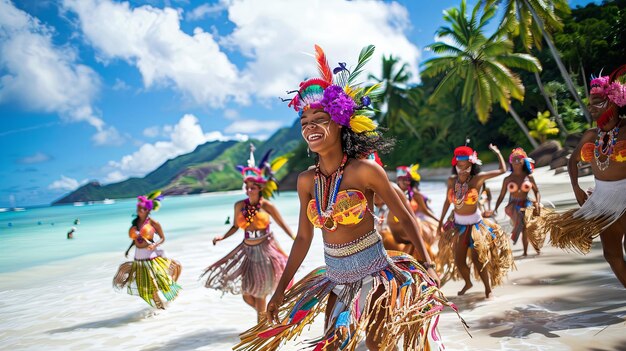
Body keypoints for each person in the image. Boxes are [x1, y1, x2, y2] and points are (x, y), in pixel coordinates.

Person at [234, 45, 462, 351]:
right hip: (335, 277)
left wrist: (428, 263)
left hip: (376, 273)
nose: (310, 127)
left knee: (381, 345)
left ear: (340, 121)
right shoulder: (305, 181)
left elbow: (405, 216)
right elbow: (303, 238)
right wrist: (280, 289)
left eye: (319, 119)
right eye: (304, 123)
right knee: (331, 346)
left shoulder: (365, 171)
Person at [546, 66, 626, 287]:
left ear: (613, 102)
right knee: (611, 255)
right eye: (589, 103)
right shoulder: (592, 134)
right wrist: (577, 189)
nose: (590, 108)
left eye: (597, 102)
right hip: (603, 201)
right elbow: (573, 161)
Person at [201, 145, 295, 322]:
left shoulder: (267, 206)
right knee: (247, 296)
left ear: (260, 188)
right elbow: (236, 227)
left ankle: (262, 333)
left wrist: (296, 239)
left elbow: (283, 224)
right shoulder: (239, 205)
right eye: (247, 186)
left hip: (265, 251)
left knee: (260, 295)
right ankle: (269, 318)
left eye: (253, 187)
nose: (250, 189)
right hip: (247, 252)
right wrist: (222, 237)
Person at [436, 145, 514, 297]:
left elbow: (502, 170)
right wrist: (440, 222)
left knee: (479, 260)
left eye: (466, 165)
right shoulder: (452, 180)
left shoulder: (478, 179)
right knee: (459, 261)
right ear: (455, 164)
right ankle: (468, 282)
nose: (462, 168)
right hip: (458, 226)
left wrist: (498, 152)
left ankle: (488, 288)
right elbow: (447, 202)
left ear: (471, 165)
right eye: (459, 165)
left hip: (475, 226)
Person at [113, 191, 181, 309]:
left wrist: (154, 245)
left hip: (151, 257)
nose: (139, 210)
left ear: (148, 210)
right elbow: (135, 239)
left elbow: (162, 238)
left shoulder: (154, 223)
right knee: (148, 287)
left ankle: (167, 307)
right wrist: (128, 250)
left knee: (156, 284)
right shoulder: (135, 223)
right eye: (138, 208)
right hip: (139, 259)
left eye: (142, 208)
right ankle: (161, 310)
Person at [491, 148, 548, 256]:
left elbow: (537, 191)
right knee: (523, 227)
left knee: (527, 227)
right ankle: (528, 251)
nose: (517, 162)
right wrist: (495, 208)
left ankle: (530, 250)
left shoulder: (529, 177)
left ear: (524, 161)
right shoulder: (507, 179)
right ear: (511, 162)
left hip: (527, 204)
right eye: (514, 159)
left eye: (519, 159)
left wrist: (537, 203)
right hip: (513, 206)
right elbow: (501, 196)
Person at [396, 164, 440, 255]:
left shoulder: (416, 195)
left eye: (407, 179)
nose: (405, 182)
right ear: (398, 180)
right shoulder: (394, 195)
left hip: (419, 221)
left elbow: (425, 211)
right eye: (402, 179)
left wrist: (440, 221)